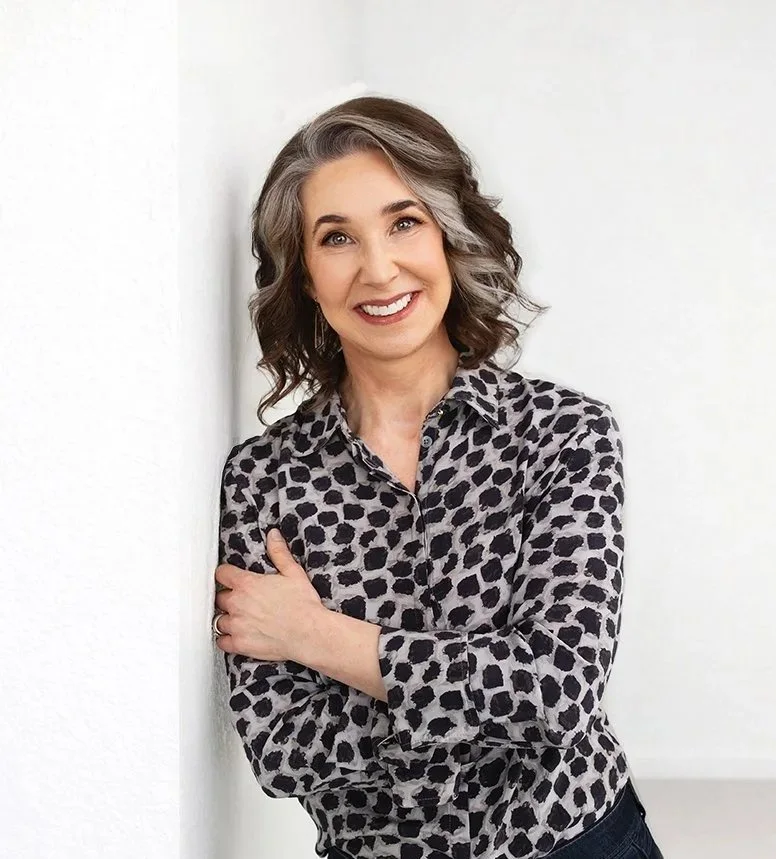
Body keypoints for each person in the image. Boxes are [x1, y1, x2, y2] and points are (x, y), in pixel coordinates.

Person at [210, 95, 663, 859]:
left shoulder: (565, 434)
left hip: (580, 841)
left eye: (404, 222)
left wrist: (321, 638)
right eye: (337, 238)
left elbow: (560, 687)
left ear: (450, 235)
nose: (378, 267)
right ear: (306, 278)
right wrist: (484, 684)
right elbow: (282, 753)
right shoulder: (265, 478)